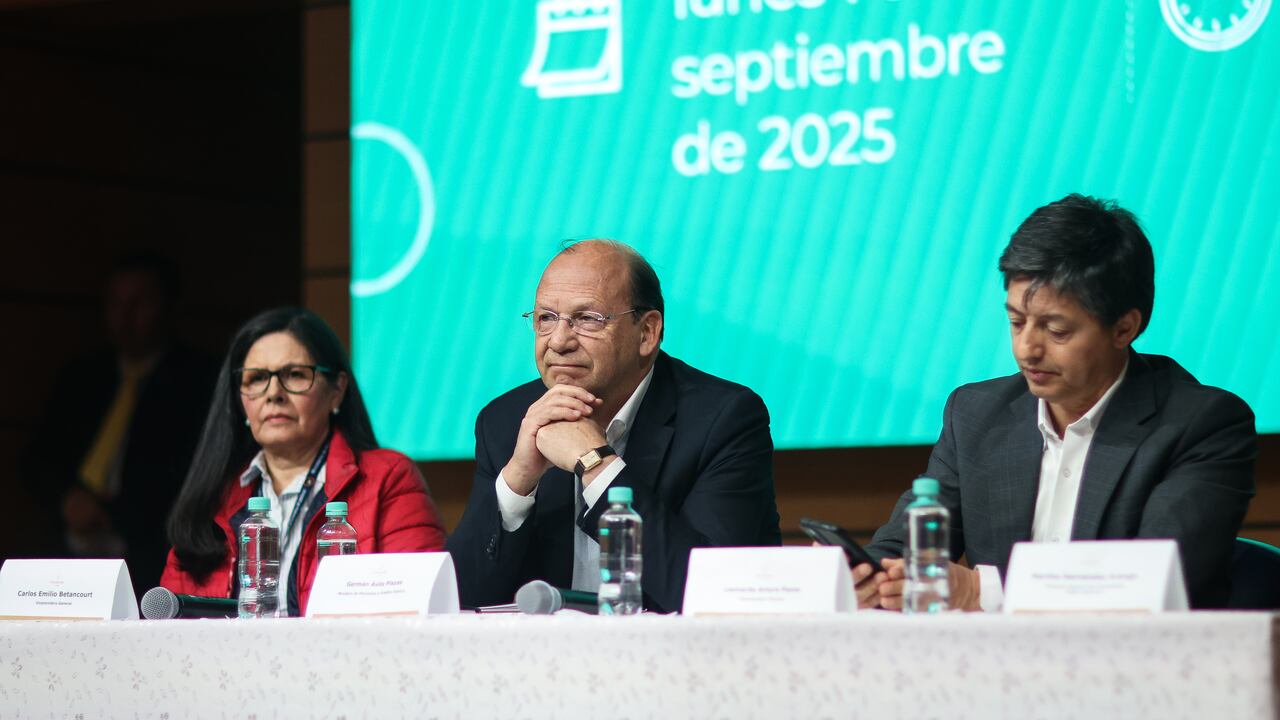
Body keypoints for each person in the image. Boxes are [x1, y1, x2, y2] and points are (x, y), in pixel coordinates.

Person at [857, 194, 1256, 610]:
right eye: (1016, 322)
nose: (1026, 349)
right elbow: (900, 549)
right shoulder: (975, 414)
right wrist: (862, 574)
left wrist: (982, 591)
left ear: (1124, 328)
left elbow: (1155, 580)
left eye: (1056, 330)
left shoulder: (1202, 425)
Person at [447, 240, 780, 612]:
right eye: (546, 318)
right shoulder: (506, 421)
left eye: (588, 318)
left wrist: (597, 464)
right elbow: (457, 602)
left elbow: (710, 593)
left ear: (647, 332)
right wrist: (518, 480)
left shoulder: (723, 418)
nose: (559, 341)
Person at [161, 307, 446, 616]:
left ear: (337, 391)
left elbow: (418, 614)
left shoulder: (389, 478)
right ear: (239, 399)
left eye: (295, 375)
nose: (273, 393)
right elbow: (170, 633)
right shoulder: (211, 500)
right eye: (257, 379)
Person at [21, 252, 218, 596]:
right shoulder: (82, 377)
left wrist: (111, 513)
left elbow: (195, 472)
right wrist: (69, 500)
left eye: (140, 303)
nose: (126, 316)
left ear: (169, 307)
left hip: (153, 556)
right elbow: (38, 458)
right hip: (67, 553)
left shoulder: (199, 380)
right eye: (116, 303)